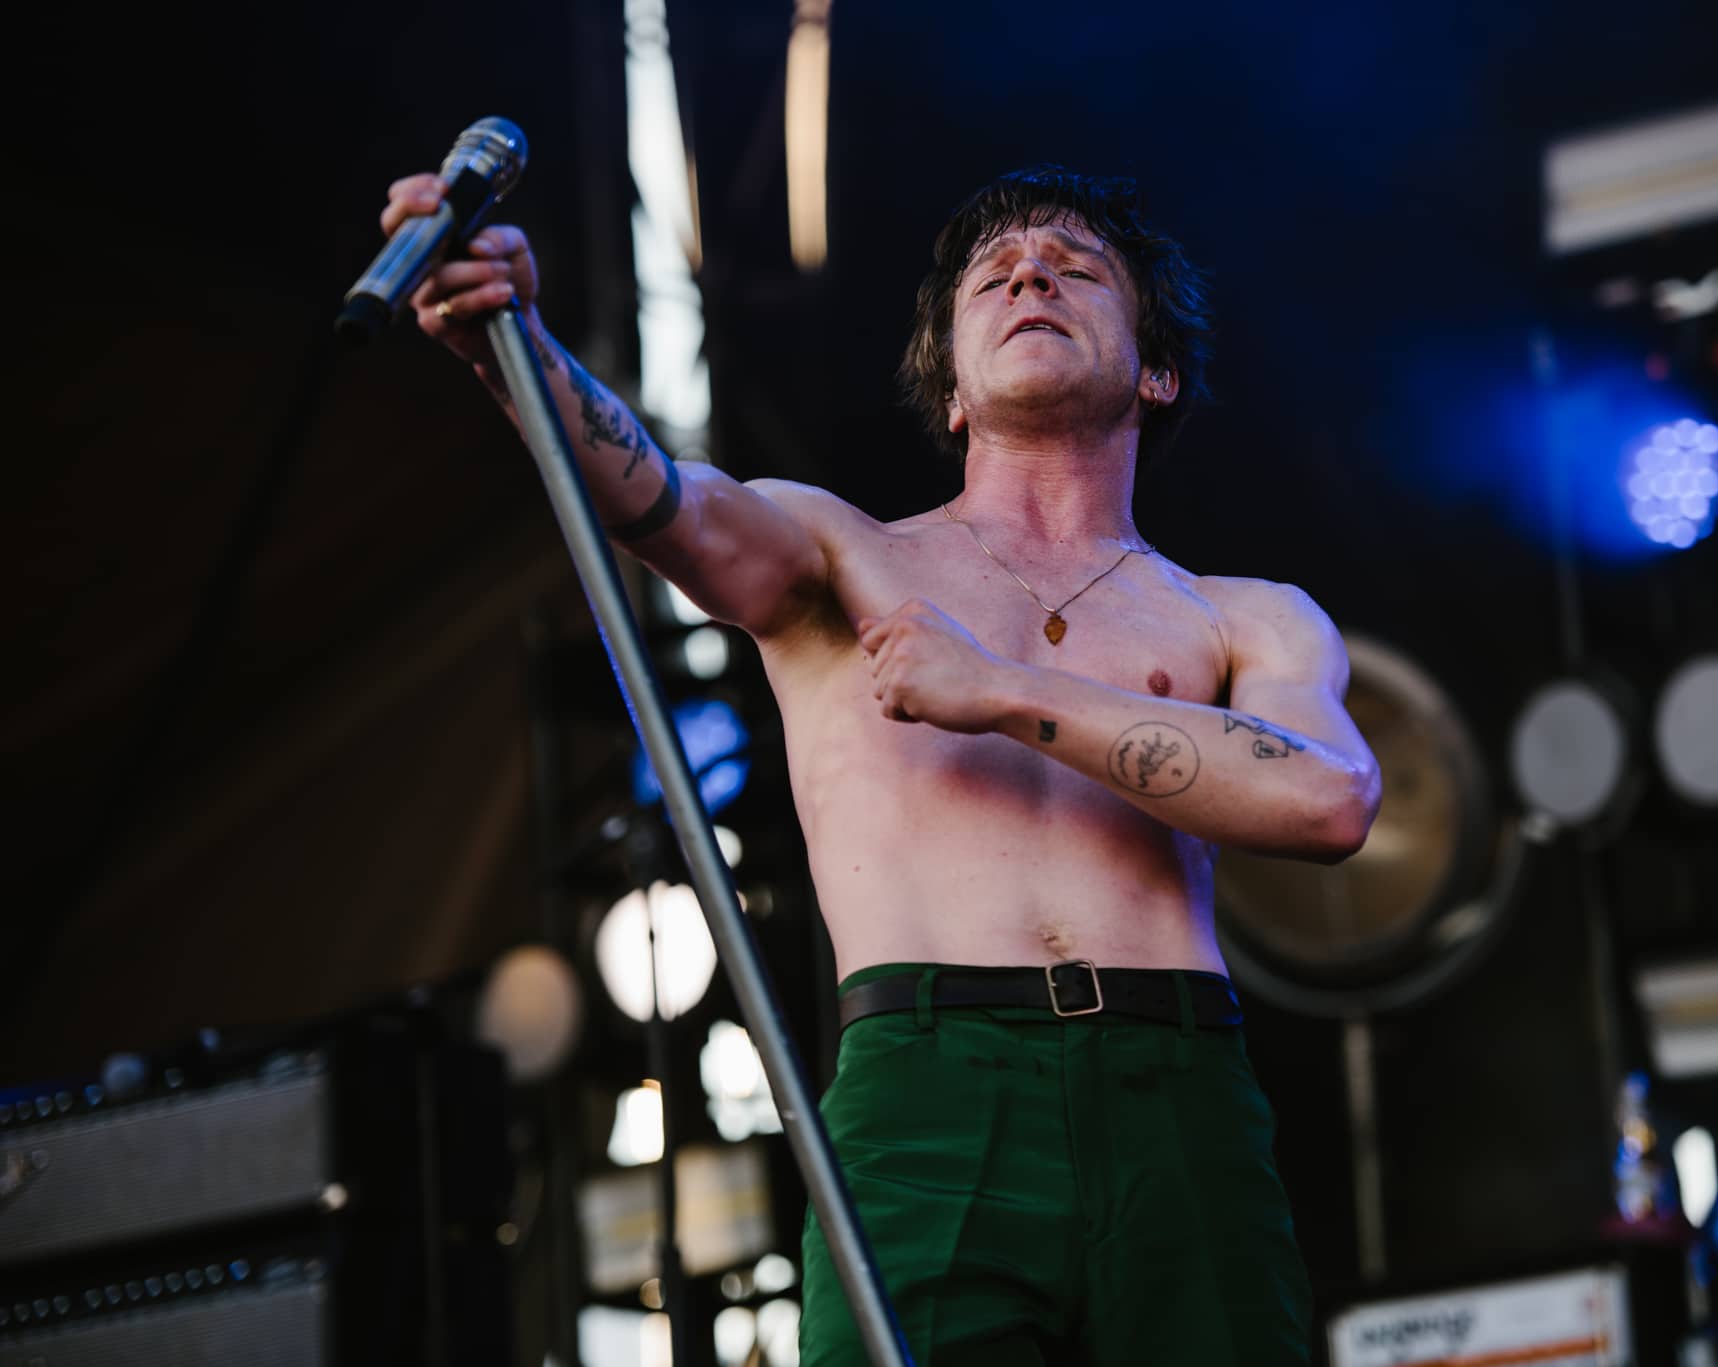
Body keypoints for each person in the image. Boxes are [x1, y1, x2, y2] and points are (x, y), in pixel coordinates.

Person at [382, 164, 1380, 1365]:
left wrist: (1002, 690)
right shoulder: (837, 551)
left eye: (1075, 268)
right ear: (951, 389)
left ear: (1155, 370)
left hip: (1177, 1082)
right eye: (993, 277)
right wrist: (515, 348)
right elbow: (659, 500)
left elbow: (1326, 797)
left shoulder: (1245, 615)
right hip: (926, 1083)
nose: (1030, 277)